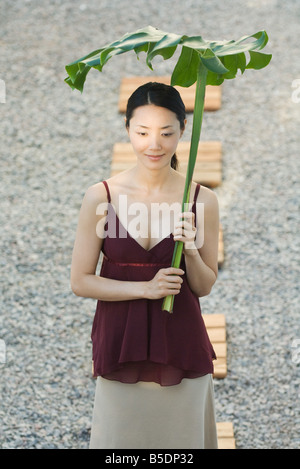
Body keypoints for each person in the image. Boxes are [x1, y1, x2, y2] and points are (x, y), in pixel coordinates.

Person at [70, 82, 220, 449]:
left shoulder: (203, 200)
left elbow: (203, 286)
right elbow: (81, 281)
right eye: (142, 132)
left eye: (167, 133)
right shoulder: (100, 197)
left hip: (181, 345)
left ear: (183, 130)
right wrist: (145, 289)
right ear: (128, 130)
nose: (154, 144)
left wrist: (191, 253)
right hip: (119, 344)